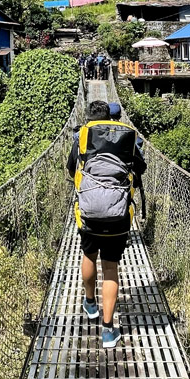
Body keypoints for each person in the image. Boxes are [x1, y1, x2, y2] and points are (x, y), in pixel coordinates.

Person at [66, 99, 146, 349]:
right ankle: (108, 330)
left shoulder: (82, 136)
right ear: (112, 117)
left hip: (89, 212)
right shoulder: (127, 137)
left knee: (89, 256)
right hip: (119, 213)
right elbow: (141, 168)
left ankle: (90, 303)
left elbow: (71, 170)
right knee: (110, 268)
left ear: (88, 116)